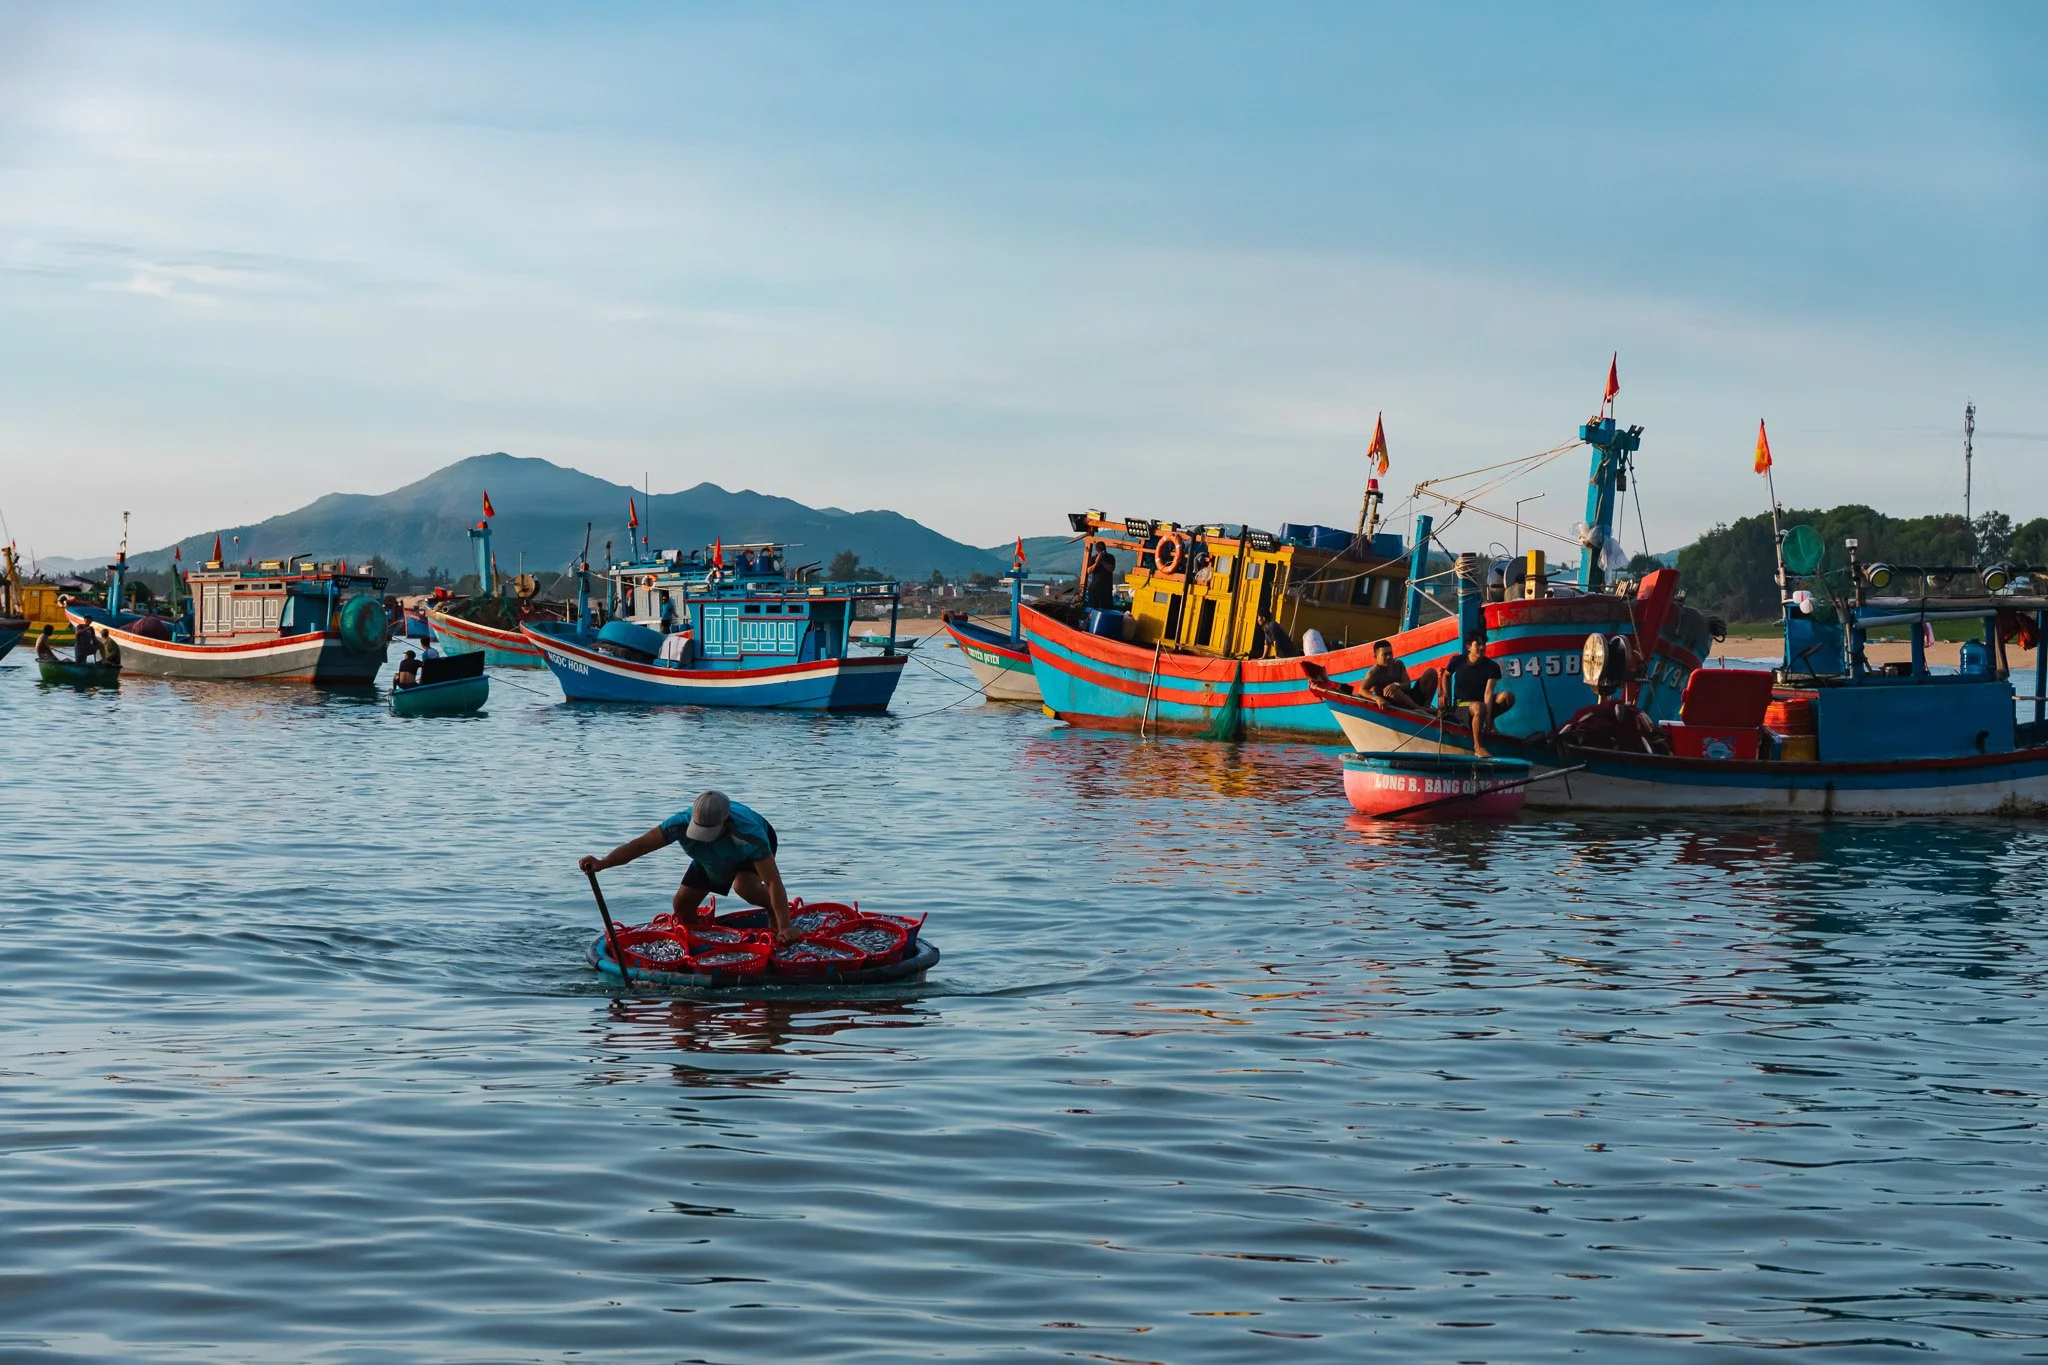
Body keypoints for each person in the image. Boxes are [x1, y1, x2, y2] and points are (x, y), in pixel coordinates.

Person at [580, 790, 798, 945]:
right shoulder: (678, 824)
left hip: (745, 854)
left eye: (709, 833)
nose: (704, 838)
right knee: (682, 905)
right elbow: (639, 846)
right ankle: (704, 940)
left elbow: (772, 882)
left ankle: (776, 911)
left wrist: (786, 927)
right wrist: (603, 863)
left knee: (744, 887)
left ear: (727, 822)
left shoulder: (751, 835)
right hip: (709, 858)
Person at [1440, 634, 1516, 757]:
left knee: (1508, 697)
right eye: (1478, 645)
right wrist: (1445, 694)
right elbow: (1446, 675)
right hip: (1461, 705)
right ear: (1469, 647)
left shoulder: (1492, 666)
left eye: (1483, 645)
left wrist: (1487, 721)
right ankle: (1478, 746)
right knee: (1479, 707)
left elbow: (1488, 692)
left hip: (1482, 704)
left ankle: (1489, 720)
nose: (1481, 647)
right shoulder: (1457, 661)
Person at [1359, 640, 1436, 712]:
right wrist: (1377, 699)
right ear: (1375, 656)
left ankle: (1426, 706)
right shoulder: (1373, 672)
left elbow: (1407, 685)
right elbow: (1362, 690)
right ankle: (1422, 710)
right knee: (1392, 691)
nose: (1388, 657)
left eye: (1390, 653)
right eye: (1385, 654)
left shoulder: (1398, 664)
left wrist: (1397, 685)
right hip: (1394, 704)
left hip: (1410, 698)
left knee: (1431, 672)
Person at [1082, 545, 1117, 611]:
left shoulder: (1110, 557)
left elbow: (1112, 569)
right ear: (1096, 551)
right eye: (1099, 551)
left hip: (1107, 588)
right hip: (1095, 588)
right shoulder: (1093, 558)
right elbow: (1089, 571)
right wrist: (1097, 562)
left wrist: (1102, 561)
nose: (1101, 552)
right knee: (1093, 607)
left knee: (1107, 608)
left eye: (1103, 551)